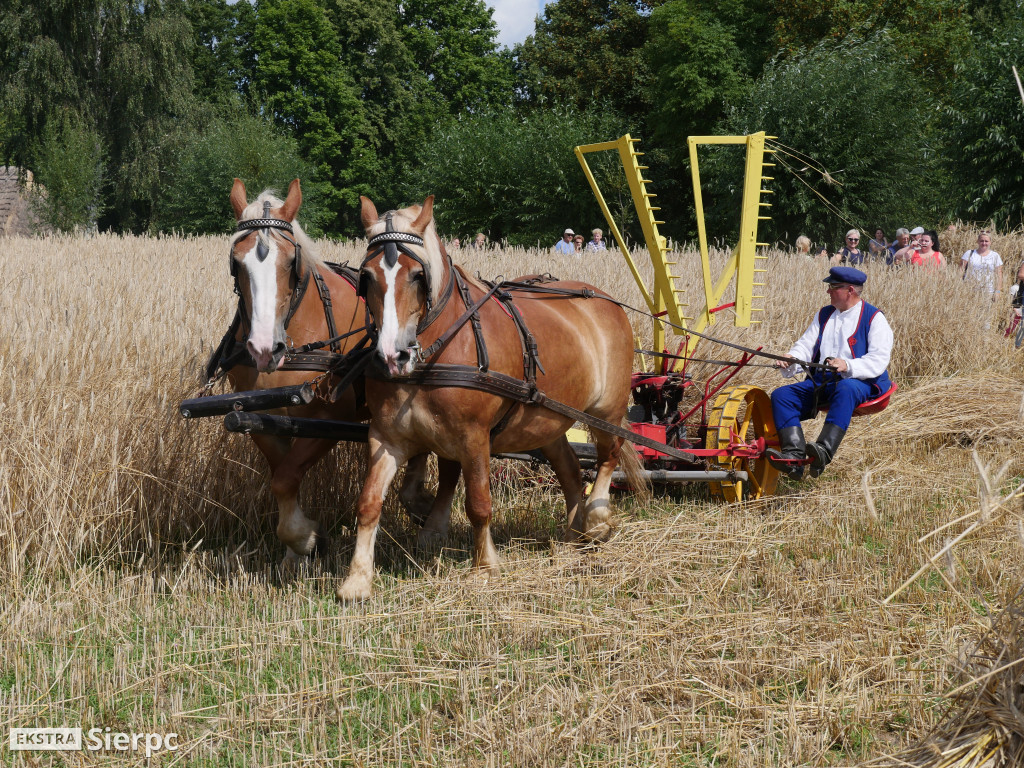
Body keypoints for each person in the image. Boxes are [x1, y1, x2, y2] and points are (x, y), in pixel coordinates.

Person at [765, 266, 893, 480]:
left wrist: (848, 365)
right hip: (824, 381)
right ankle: (793, 457)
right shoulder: (824, 314)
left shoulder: (874, 318)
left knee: (846, 387)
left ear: (850, 290)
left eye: (833, 287)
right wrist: (792, 359)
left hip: (860, 381)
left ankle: (823, 451)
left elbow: (879, 358)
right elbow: (806, 345)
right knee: (782, 396)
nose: (828, 291)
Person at [961, 231, 1003, 301]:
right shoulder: (969, 253)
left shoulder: (995, 256)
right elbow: (960, 271)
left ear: (990, 242)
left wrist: (998, 291)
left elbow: (999, 275)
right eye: (981, 241)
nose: (984, 243)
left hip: (989, 292)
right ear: (977, 241)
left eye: (986, 241)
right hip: (969, 291)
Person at [1004, 261, 1024, 339]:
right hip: (1021, 297)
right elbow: (1021, 275)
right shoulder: (1015, 288)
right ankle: (1006, 336)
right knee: (1016, 317)